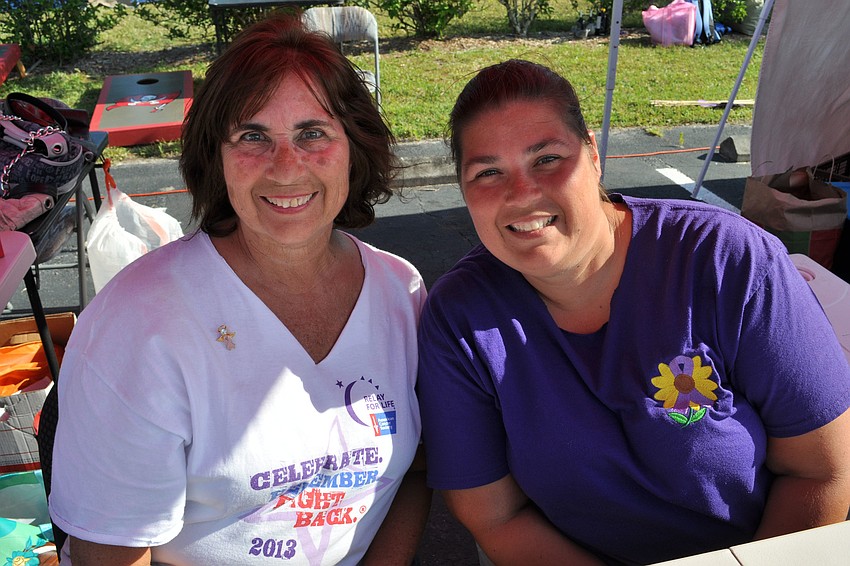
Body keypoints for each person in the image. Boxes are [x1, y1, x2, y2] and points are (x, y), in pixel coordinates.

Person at [416, 59, 850, 565]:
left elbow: (823, 471)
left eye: (547, 158)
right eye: (488, 172)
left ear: (593, 156)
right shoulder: (459, 319)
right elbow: (495, 517)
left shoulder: (726, 260)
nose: (521, 193)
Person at [49, 13, 430, 566]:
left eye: (313, 133)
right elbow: (110, 555)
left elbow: (416, 471)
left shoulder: (402, 292)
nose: (285, 168)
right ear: (216, 158)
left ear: (355, 146)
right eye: (253, 136)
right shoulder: (140, 324)